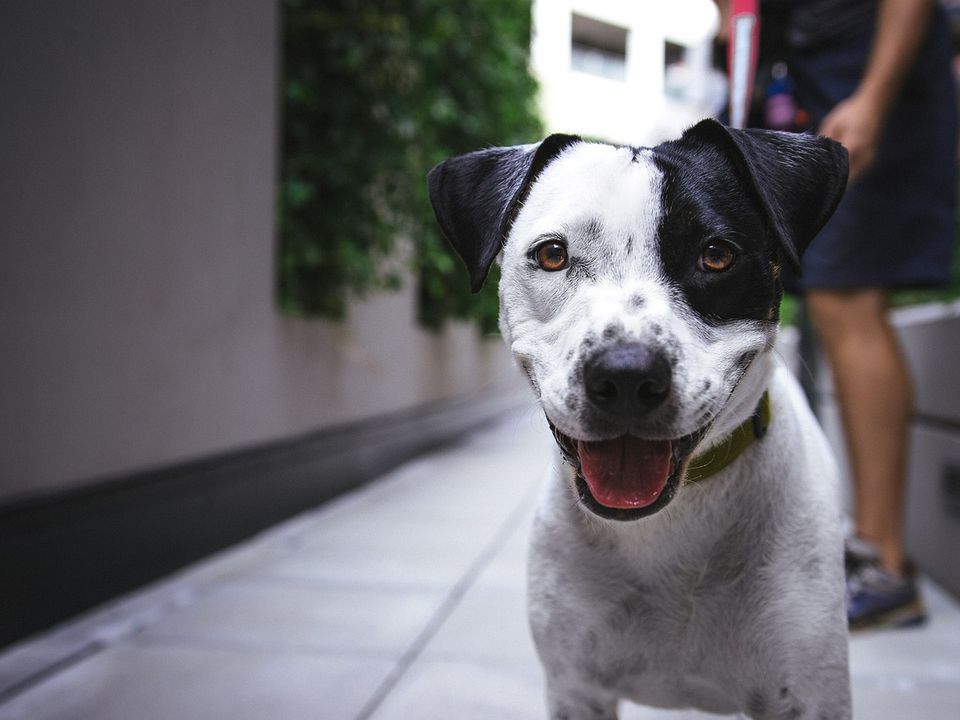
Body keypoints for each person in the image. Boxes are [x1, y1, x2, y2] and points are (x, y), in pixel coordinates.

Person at [761, 0, 958, 630]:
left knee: (848, 295)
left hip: (872, 80)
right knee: (827, 296)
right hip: (819, 78)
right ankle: (866, 545)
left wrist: (873, 97)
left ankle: (887, 565)